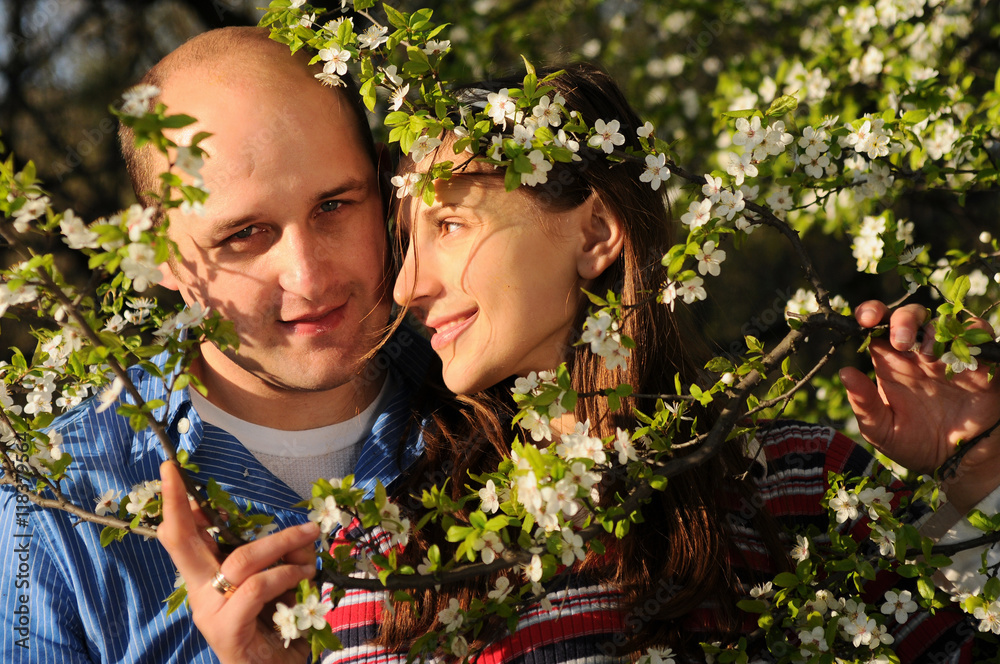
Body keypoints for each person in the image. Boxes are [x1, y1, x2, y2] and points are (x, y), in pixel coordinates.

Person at [161, 63, 1000, 662]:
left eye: (448, 226)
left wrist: (975, 478)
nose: (408, 282)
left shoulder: (792, 481)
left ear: (596, 232)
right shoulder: (390, 556)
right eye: (405, 240)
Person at [0, 26, 437, 663]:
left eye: (334, 205)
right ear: (160, 256)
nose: (307, 276)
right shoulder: (55, 516)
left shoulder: (495, 413)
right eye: (244, 234)